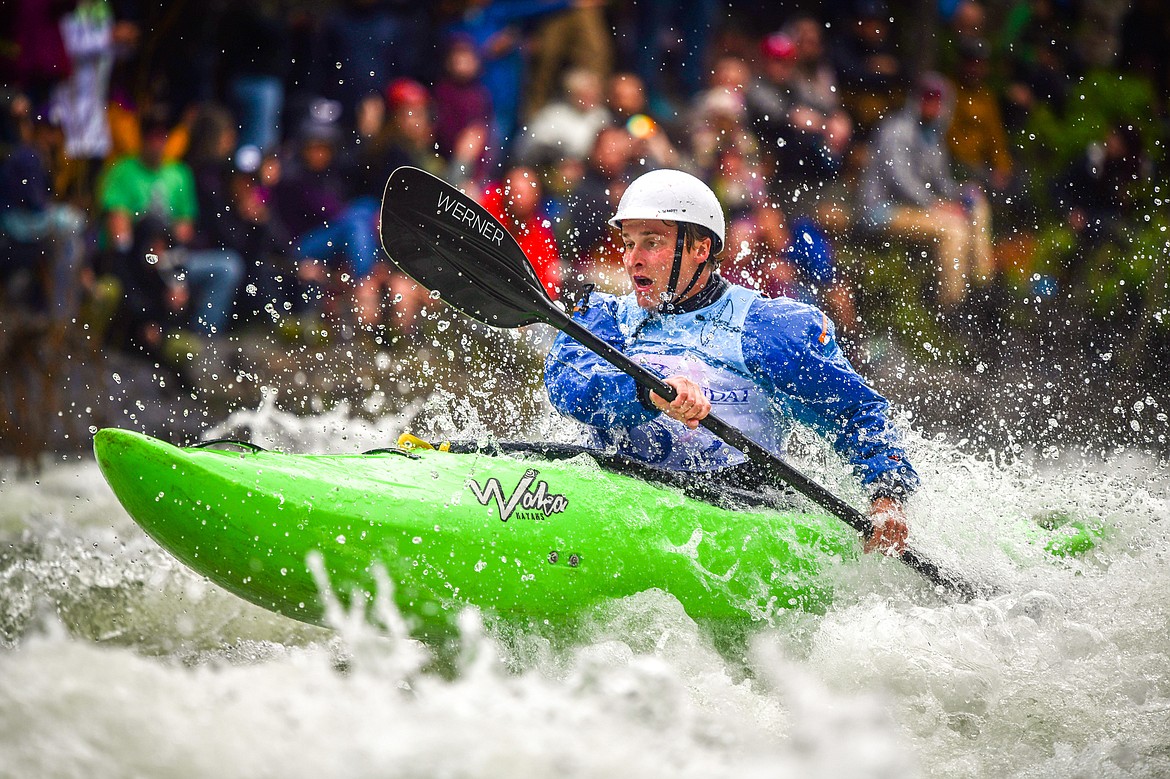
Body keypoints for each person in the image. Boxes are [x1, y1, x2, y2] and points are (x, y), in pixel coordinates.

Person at [544, 169, 919, 553]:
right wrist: (648, 390)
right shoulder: (605, 317)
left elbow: (855, 412)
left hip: (731, 515)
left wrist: (886, 493)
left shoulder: (768, 329)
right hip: (622, 497)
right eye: (628, 243)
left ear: (700, 250)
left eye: (651, 243)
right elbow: (568, 384)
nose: (633, 260)